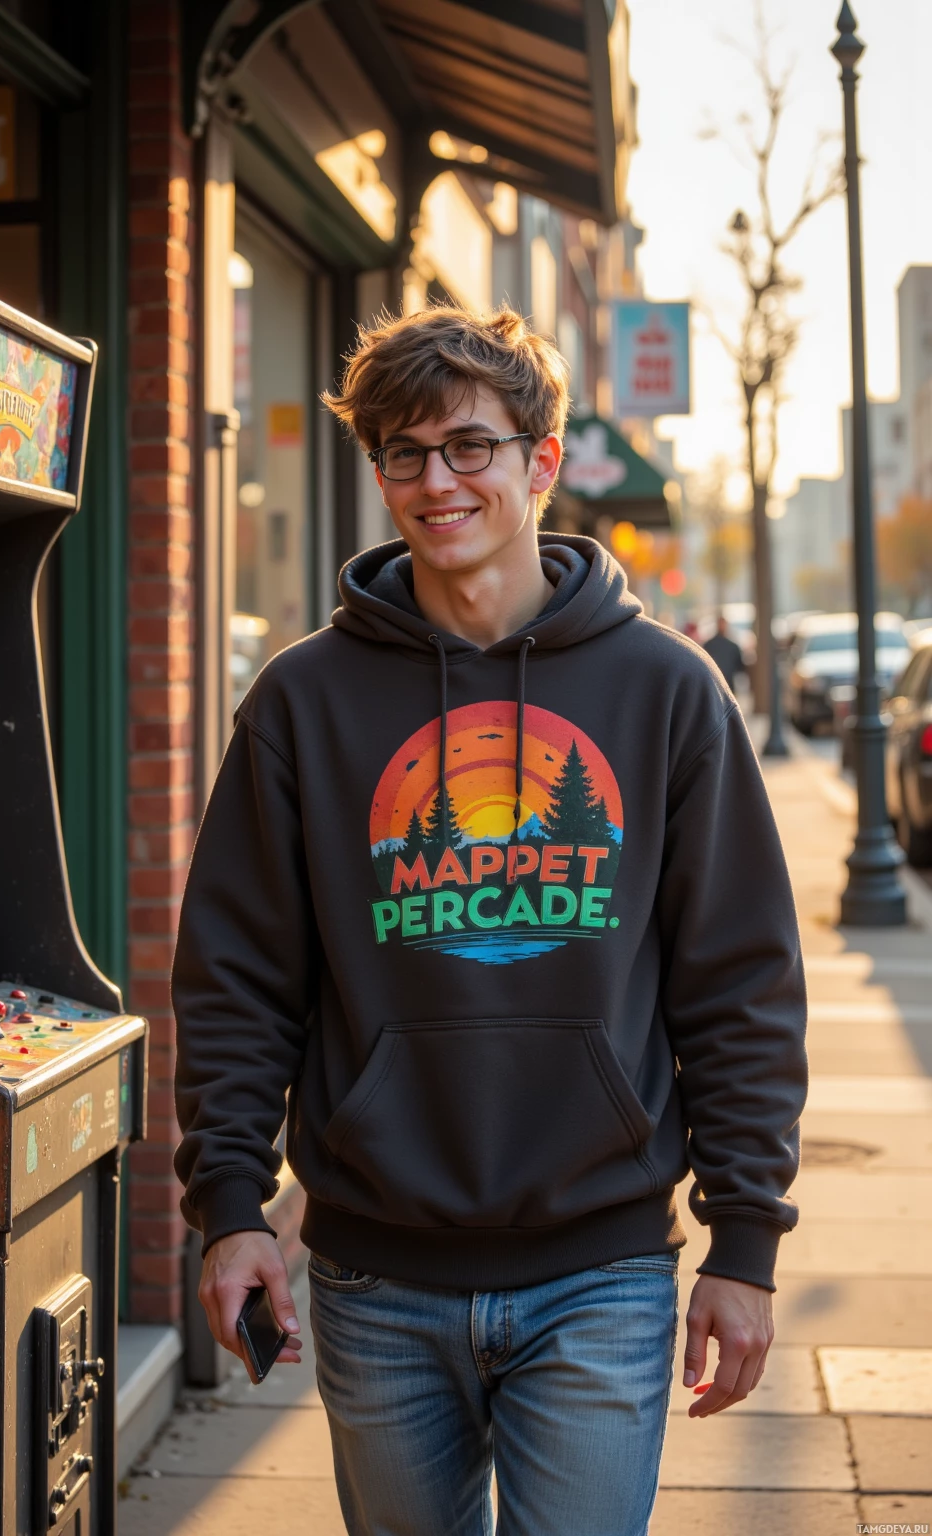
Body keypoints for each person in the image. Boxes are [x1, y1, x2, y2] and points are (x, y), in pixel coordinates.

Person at [172, 305, 807, 1536]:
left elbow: (737, 982)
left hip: (602, 1269)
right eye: (403, 454)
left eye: (470, 446)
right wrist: (233, 1210)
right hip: (375, 1271)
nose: (437, 481)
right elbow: (237, 977)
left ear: (542, 458)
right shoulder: (303, 701)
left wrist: (745, 1241)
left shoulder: (666, 691)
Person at [702, 613, 745, 692]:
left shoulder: (709, 645)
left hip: (720, 684)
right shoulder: (709, 645)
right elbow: (739, 667)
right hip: (719, 683)